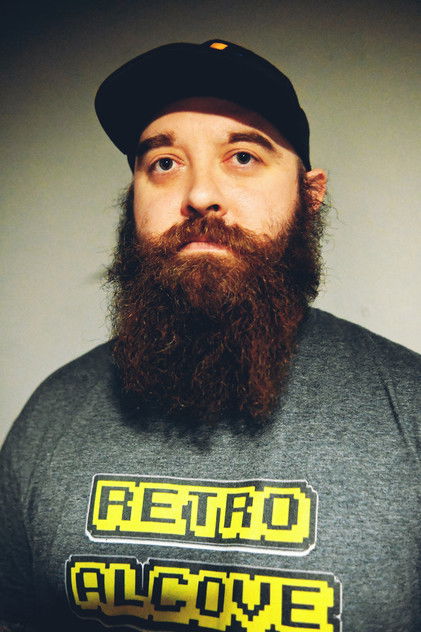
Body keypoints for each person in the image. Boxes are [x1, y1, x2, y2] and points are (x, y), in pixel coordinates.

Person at [0, 39, 419, 632]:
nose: (199, 195)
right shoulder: (52, 415)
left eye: (242, 156)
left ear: (310, 194)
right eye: (164, 164)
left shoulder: (410, 409)